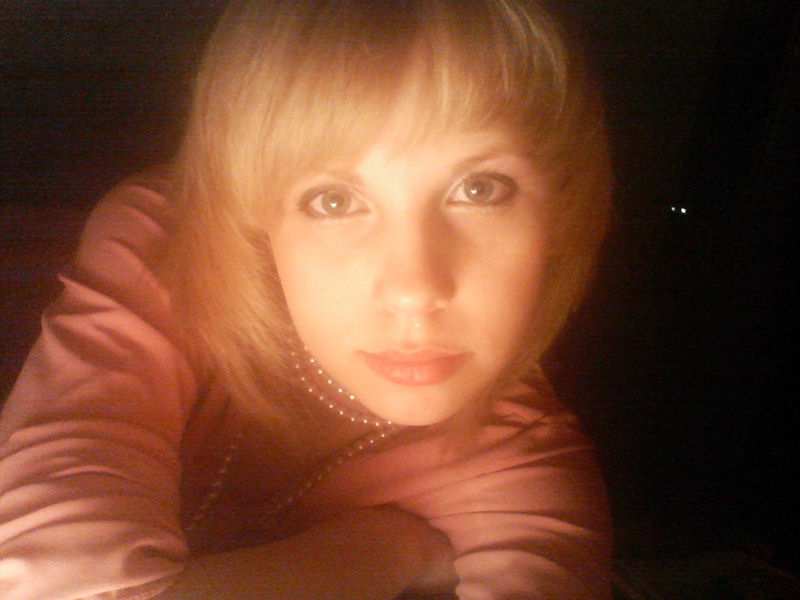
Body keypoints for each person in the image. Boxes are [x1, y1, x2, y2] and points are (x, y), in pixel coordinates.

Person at [0, 0, 614, 598]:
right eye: (334, 200)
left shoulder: (525, 476)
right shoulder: (170, 251)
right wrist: (384, 550)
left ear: (559, 213)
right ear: (252, 210)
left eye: (481, 189)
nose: (414, 290)